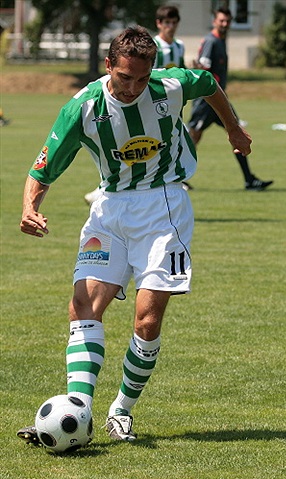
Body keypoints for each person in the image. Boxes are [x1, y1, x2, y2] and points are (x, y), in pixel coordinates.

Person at [16, 26, 252, 444]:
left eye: (142, 79)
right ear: (109, 65)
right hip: (109, 209)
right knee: (83, 308)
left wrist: (232, 126)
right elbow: (43, 167)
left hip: (164, 207)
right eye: (125, 78)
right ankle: (79, 412)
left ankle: (121, 410)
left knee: (146, 319)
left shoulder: (171, 86)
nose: (133, 88)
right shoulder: (83, 108)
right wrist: (30, 206)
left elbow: (210, 82)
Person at [84, 4, 187, 205]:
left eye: (174, 23)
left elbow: (180, 73)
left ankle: (170, 176)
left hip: (167, 102)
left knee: (172, 139)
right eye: (167, 22)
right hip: (142, 100)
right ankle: (105, 189)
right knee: (130, 148)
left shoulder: (179, 46)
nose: (171, 27)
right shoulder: (149, 47)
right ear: (159, 23)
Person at [189, 7, 272, 192]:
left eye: (227, 21)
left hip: (219, 99)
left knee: (237, 133)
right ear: (214, 21)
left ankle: (249, 180)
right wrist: (199, 69)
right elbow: (203, 70)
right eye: (221, 21)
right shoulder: (211, 41)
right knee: (192, 137)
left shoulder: (221, 40)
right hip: (207, 100)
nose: (225, 24)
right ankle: (176, 178)